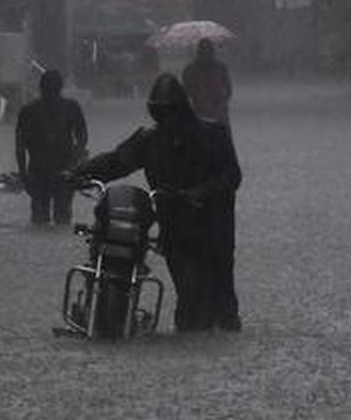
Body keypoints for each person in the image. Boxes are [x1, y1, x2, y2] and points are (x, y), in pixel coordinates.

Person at [74, 73, 242, 332]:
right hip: (176, 229)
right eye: (161, 113)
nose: (167, 119)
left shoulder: (213, 134)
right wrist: (80, 172)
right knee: (189, 294)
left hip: (213, 229)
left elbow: (231, 175)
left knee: (222, 295)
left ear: (183, 109)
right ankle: (191, 333)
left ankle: (222, 330)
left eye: (171, 112)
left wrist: (200, 192)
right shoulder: (150, 140)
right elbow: (118, 161)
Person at [15, 70, 88, 226]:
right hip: (47, 172)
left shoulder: (69, 108)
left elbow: (82, 137)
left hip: (56, 172)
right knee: (55, 219)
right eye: (49, 90)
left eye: (52, 90)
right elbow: (82, 137)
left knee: (46, 219)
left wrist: (23, 174)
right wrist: (76, 160)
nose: (51, 95)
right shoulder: (30, 111)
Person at [181, 38, 232, 124]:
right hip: (200, 110)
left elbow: (228, 89)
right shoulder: (191, 69)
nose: (205, 52)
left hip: (219, 112)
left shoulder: (221, 68)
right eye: (203, 49)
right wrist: (197, 95)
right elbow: (186, 90)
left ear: (212, 51)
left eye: (207, 49)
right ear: (199, 51)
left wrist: (222, 102)